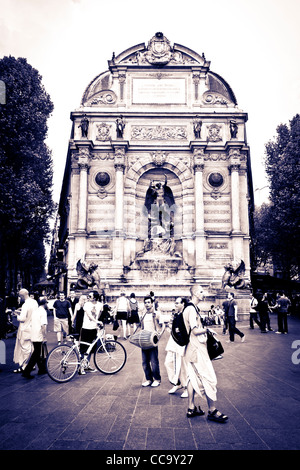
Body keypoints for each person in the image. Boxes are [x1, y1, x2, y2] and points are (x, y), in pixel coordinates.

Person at [183, 285, 228, 422]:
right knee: (208, 377)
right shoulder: (191, 309)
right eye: (202, 291)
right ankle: (212, 410)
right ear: (196, 293)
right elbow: (195, 331)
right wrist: (207, 330)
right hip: (196, 349)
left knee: (193, 377)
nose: (204, 293)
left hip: (193, 348)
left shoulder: (191, 308)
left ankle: (191, 408)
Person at [164, 299, 188, 397]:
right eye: (175, 303)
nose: (176, 304)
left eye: (178, 303)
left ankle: (186, 387)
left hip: (180, 343)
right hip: (173, 342)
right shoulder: (176, 315)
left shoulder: (185, 314)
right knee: (168, 363)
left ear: (183, 304)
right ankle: (177, 383)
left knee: (182, 366)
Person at [22, 297, 48, 379]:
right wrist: (44, 337)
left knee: (37, 352)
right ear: (45, 303)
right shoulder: (43, 312)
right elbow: (43, 325)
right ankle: (27, 371)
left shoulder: (35, 311)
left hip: (33, 334)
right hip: (39, 335)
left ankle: (41, 369)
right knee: (36, 354)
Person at [13, 288, 38, 373]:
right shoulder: (34, 302)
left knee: (25, 348)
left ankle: (24, 366)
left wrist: (17, 315)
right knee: (31, 347)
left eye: (20, 296)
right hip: (33, 327)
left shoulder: (25, 305)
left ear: (22, 295)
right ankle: (32, 364)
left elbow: (23, 318)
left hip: (25, 329)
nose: (20, 298)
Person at [79, 291, 103, 374]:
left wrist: (97, 323)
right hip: (86, 328)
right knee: (83, 348)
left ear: (95, 298)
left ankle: (86, 365)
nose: (88, 297)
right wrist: (97, 321)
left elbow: (99, 313)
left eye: (90, 296)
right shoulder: (87, 304)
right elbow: (89, 314)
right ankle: (81, 367)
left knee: (91, 349)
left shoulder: (100, 305)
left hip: (93, 329)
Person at [140, 296, 161, 388]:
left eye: (149, 302)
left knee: (154, 361)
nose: (147, 304)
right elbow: (142, 327)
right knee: (145, 362)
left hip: (152, 340)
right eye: (145, 302)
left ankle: (157, 379)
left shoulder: (156, 314)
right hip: (144, 340)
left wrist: (159, 334)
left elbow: (163, 325)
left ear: (152, 303)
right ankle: (149, 379)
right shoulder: (143, 314)